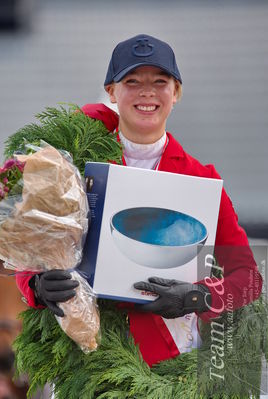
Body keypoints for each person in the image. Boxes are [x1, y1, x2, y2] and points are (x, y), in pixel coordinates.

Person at [16, 34, 262, 367]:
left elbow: (248, 278)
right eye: (132, 81)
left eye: (160, 82)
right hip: (85, 357)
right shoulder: (74, 163)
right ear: (112, 92)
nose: (147, 92)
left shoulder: (201, 181)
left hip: (168, 361)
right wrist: (37, 285)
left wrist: (198, 296)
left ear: (175, 93)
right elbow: (33, 243)